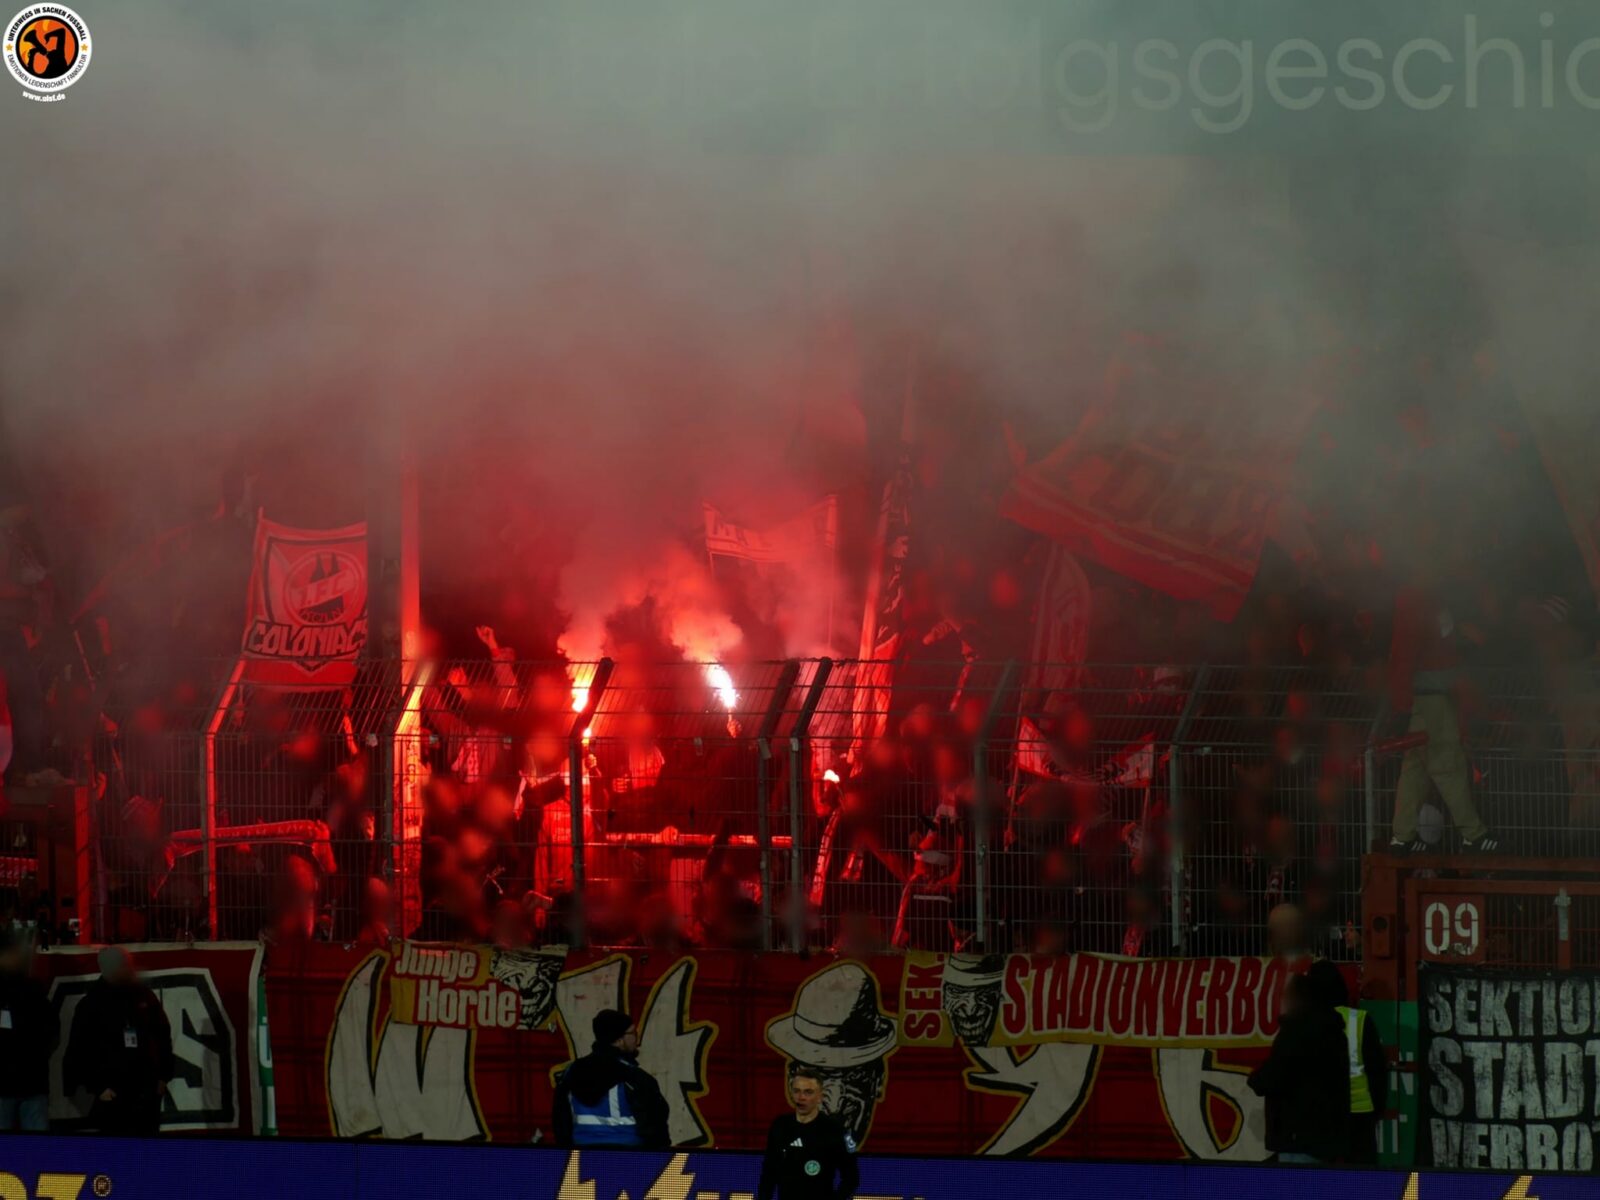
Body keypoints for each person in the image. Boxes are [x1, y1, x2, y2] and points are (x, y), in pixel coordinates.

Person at [63, 947, 173, 1135]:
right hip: (113, 1094)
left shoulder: (143, 995)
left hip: (146, 1091)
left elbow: (162, 1034)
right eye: (123, 965)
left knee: (147, 1151)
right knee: (116, 1152)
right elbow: (79, 1049)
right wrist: (98, 1087)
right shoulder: (91, 1004)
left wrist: (163, 1076)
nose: (128, 969)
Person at [1247, 971, 1348, 1164]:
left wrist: (1256, 1078)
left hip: (1298, 1137)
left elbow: (1275, 1075)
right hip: (1327, 1138)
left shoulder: (1295, 1031)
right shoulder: (1334, 1030)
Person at [1306, 959, 1388, 1164]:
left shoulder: (1306, 1022)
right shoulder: (1360, 1019)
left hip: (1323, 1116)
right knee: (1364, 1184)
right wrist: (1376, 1110)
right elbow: (1377, 1071)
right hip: (1360, 1113)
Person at [552, 1009, 669, 1149]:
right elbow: (655, 1130)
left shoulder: (570, 1073)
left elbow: (560, 1122)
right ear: (619, 1040)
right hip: (629, 1160)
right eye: (632, 1033)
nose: (637, 1038)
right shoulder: (636, 1078)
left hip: (582, 1159)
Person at [757, 1069, 860, 1200]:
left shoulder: (836, 1131)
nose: (801, 1097)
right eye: (797, 1091)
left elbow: (851, 1179)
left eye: (808, 1092)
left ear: (820, 1096)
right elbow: (768, 1174)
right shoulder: (780, 1126)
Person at [0, 931, 55, 1131]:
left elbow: (51, 1031)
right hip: (29, 1082)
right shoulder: (34, 991)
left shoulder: (33, 991)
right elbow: (51, 1032)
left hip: (30, 1084)